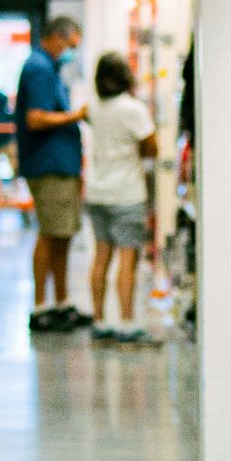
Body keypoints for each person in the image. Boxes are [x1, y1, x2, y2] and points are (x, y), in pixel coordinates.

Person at [15, 16, 87, 332]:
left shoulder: (49, 69)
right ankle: (41, 305)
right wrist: (76, 115)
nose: (71, 53)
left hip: (61, 165)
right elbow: (35, 118)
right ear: (56, 38)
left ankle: (61, 301)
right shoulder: (40, 69)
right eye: (70, 46)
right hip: (48, 167)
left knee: (62, 235)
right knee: (49, 233)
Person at [83, 52, 158, 345]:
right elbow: (151, 147)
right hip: (126, 193)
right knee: (128, 258)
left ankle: (100, 321)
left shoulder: (93, 108)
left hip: (97, 191)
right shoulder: (133, 109)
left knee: (101, 256)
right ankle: (127, 324)